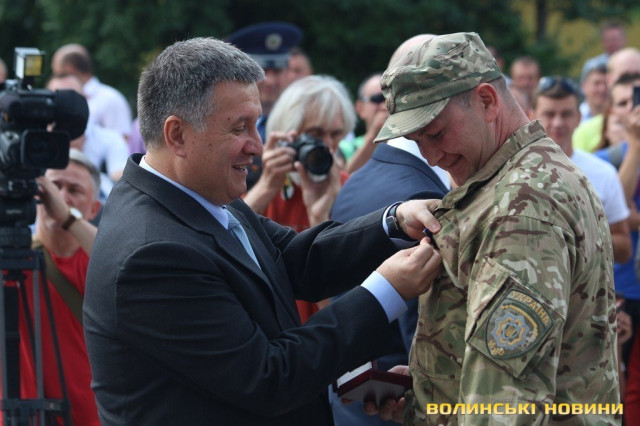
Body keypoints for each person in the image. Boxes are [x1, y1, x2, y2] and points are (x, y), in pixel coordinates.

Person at [83, 37, 443, 425]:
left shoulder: (197, 193)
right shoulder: (152, 253)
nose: (256, 146)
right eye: (239, 128)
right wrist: (386, 291)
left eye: (255, 124)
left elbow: (293, 259)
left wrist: (393, 223)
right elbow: (269, 379)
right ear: (177, 135)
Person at [371, 32, 619, 424]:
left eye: (436, 133)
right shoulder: (529, 173)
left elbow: (503, 406)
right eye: (417, 142)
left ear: (486, 101)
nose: (431, 156)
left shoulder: (522, 209)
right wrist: (433, 385)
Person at [243, 74, 355, 322]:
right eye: (315, 135)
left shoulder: (350, 190)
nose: (328, 147)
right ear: (287, 135)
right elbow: (222, 240)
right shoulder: (267, 188)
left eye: (336, 135)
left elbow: (342, 311)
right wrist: (265, 187)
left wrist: (320, 218)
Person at [4, 149, 101, 425]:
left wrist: (68, 217)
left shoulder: (99, 262)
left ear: (94, 209)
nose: (60, 196)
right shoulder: (11, 259)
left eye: (74, 190)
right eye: (53, 187)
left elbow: (122, 259)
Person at [532, 75, 631, 263]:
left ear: (578, 117)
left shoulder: (603, 173)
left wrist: (583, 238)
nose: (558, 123)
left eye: (566, 114)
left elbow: (624, 249)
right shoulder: (515, 172)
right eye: (549, 114)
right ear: (532, 116)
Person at [227, 22, 302, 189]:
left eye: (278, 71)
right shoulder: (226, 121)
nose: (271, 81)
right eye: (263, 71)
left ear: (287, 73)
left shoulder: (302, 121)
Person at [47, 74, 129, 200]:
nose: (65, 105)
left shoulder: (111, 139)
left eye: (72, 98)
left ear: (86, 99)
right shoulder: (33, 138)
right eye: (58, 98)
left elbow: (122, 182)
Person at [51, 43, 132, 139]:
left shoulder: (110, 99)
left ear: (70, 68)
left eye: (59, 74)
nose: (56, 78)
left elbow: (123, 141)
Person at [338, 73, 389, 173]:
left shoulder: (412, 141)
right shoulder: (346, 148)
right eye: (377, 99)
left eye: (389, 98)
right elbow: (343, 179)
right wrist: (373, 137)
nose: (384, 106)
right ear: (360, 109)